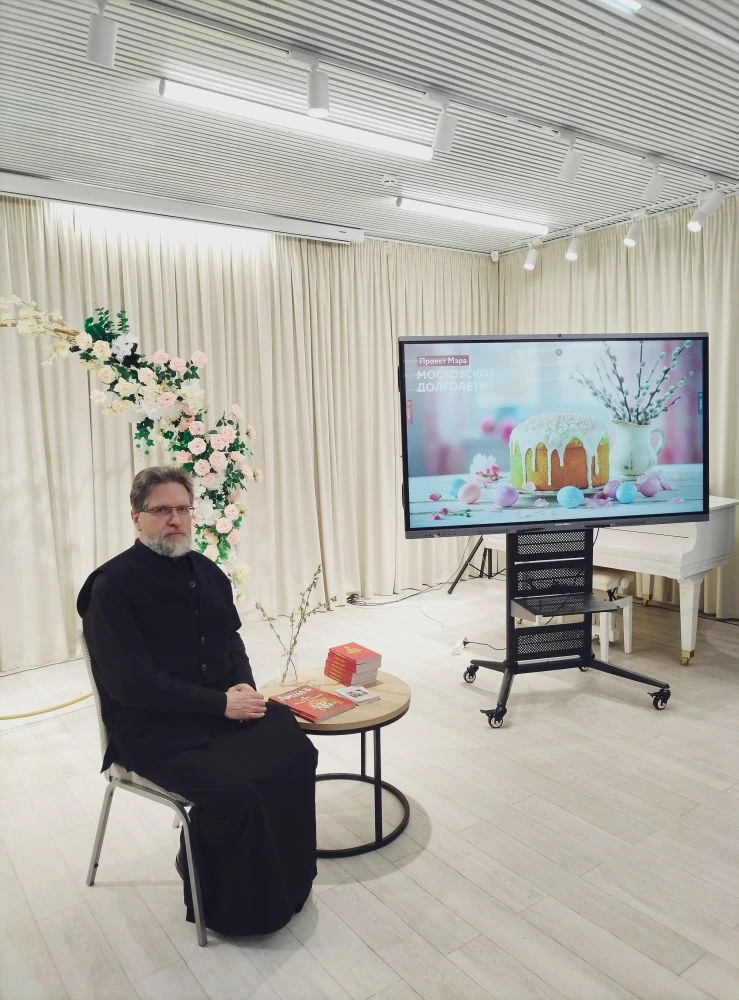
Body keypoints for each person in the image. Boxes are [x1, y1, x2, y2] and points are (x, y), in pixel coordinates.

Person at [77, 466, 318, 936]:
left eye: (183, 509)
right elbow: (132, 685)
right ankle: (235, 909)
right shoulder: (111, 588)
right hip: (153, 730)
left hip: (219, 710)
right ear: (136, 517)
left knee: (295, 749)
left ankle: (288, 881)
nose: (175, 519)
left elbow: (230, 640)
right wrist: (220, 705)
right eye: (161, 510)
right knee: (238, 789)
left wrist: (243, 686)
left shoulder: (207, 572)